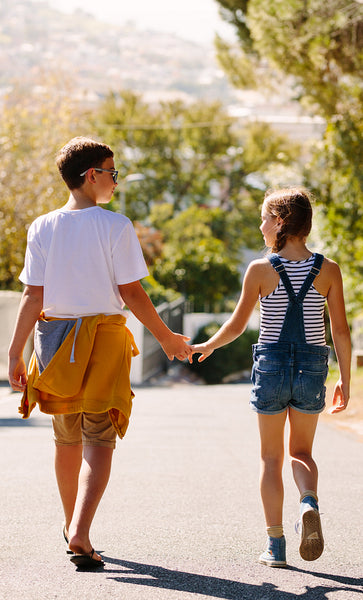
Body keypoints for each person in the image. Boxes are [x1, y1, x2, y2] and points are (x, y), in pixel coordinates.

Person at [8, 136, 192, 569]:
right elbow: (131, 292)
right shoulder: (116, 226)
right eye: (111, 172)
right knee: (99, 440)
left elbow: (32, 296)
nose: (115, 181)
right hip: (103, 340)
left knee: (66, 439)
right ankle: (81, 531)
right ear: (92, 175)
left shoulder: (42, 226)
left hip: (53, 341)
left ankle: (71, 524)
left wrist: (14, 353)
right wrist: (167, 337)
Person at [191, 187, 351, 567]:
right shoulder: (328, 270)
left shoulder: (261, 270)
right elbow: (340, 332)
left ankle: (275, 545)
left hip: (272, 365)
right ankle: (308, 502)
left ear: (279, 221)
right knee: (302, 453)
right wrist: (345, 378)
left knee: (269, 457)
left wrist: (207, 346)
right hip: (313, 365)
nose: (261, 226)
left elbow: (236, 324)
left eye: (264, 218)